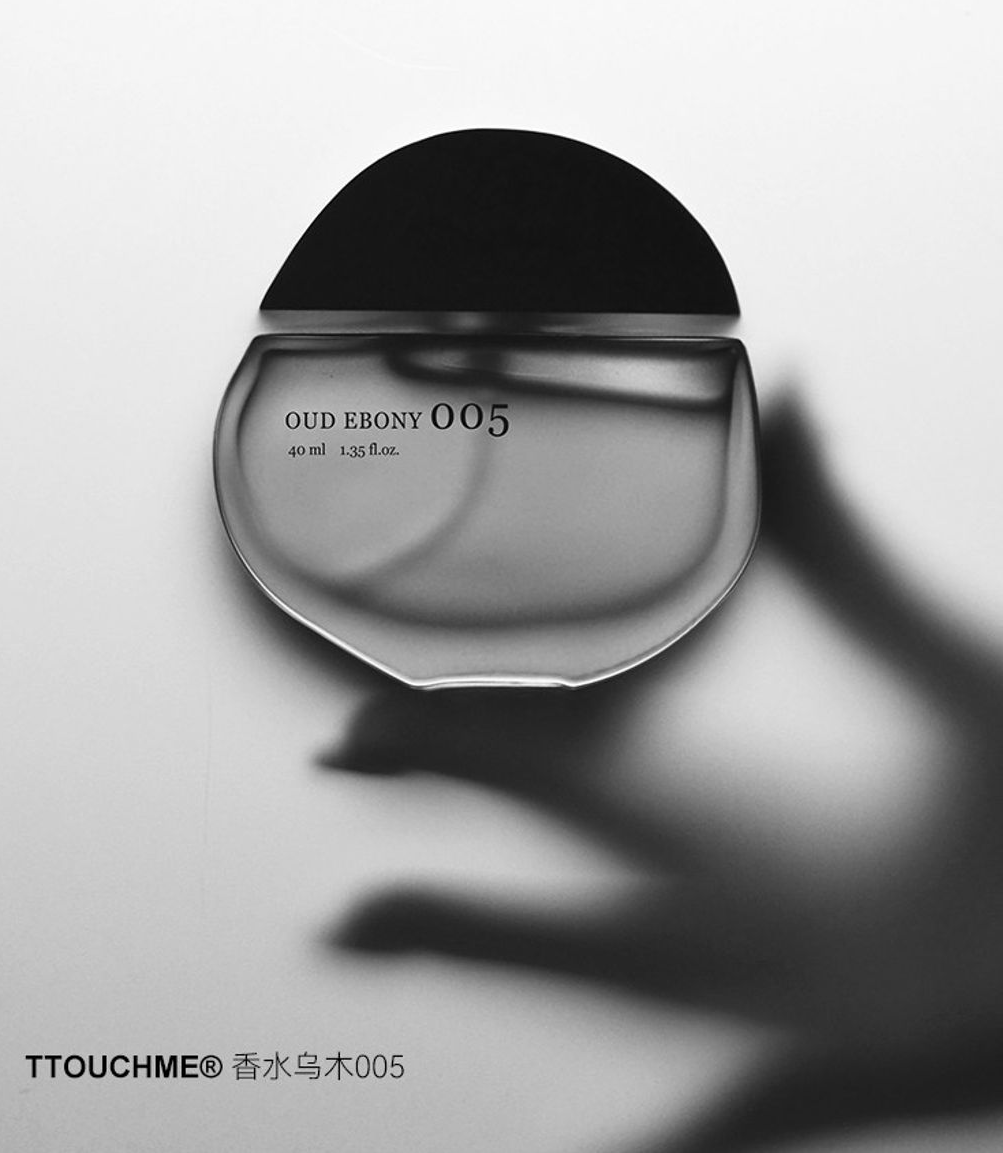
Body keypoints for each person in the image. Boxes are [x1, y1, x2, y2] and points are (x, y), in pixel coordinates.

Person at [320, 397, 1003, 1151]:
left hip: (897, 986)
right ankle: (496, 760)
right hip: (896, 983)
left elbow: (795, 1095)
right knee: (795, 949)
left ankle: (496, 759)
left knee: (797, 954)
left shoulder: (892, 994)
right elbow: (796, 1096)